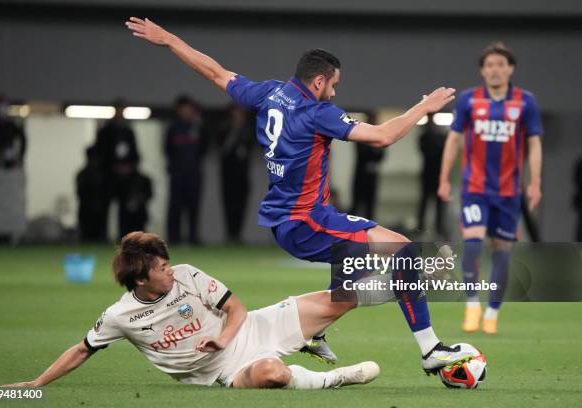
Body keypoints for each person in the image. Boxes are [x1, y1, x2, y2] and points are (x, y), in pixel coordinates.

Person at [126, 17, 468, 374]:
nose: (334, 92)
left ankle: (315, 331)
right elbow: (382, 136)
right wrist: (424, 108)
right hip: (307, 221)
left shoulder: (268, 94)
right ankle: (430, 350)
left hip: (291, 220)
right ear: (318, 81)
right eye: (333, 85)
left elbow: (215, 72)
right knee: (403, 252)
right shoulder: (318, 112)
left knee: (349, 292)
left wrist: (169, 40)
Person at [3, 232, 380, 389]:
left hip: (253, 327)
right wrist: (35, 385)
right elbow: (83, 348)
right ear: (140, 280)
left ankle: (429, 273)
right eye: (162, 268)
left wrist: (222, 338)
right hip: (227, 369)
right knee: (274, 374)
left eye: (168, 263)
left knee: (343, 295)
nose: (171, 269)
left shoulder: (187, 275)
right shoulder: (120, 316)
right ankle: (336, 379)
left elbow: (237, 308)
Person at [438, 42, 543, 334]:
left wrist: (535, 183)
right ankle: (472, 305)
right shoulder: (470, 100)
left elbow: (534, 144)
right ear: (483, 71)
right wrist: (445, 178)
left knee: (502, 251)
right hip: (475, 188)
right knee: (472, 243)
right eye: (490, 65)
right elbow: (454, 139)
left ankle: (493, 312)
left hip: (509, 191)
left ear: (510, 69)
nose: (495, 69)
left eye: (501, 64)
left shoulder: (525, 102)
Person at [94, 99, 141, 238]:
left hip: (125, 177)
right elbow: (99, 153)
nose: (120, 113)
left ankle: (124, 238)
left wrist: (129, 167)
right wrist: (110, 167)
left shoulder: (128, 132)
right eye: (118, 110)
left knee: (125, 210)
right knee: (104, 207)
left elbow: (134, 153)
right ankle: (101, 236)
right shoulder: (105, 131)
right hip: (108, 175)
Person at [165, 96, 205, 245]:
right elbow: (167, 150)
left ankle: (193, 238)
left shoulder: (198, 127)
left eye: (189, 109)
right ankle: (174, 238)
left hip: (194, 175)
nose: (187, 112)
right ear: (178, 110)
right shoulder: (173, 128)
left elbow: (203, 149)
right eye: (184, 108)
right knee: (175, 207)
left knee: (193, 207)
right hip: (177, 174)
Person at [216, 104, 254, 243]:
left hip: (242, 175)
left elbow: (251, 148)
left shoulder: (248, 130)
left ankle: (237, 234)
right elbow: (223, 150)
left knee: (241, 204)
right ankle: (230, 233)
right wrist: (235, 131)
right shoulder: (224, 129)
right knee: (228, 203)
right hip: (228, 174)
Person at [416, 114, 446, 237]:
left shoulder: (441, 137)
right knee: (424, 202)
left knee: (440, 204)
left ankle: (440, 228)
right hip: (428, 175)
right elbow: (428, 151)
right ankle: (420, 227)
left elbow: (443, 151)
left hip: (439, 175)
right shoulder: (424, 137)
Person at [76, 146, 109, 241]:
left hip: (100, 211)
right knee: (86, 236)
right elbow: (80, 193)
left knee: (100, 236)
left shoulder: (103, 174)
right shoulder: (83, 174)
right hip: (86, 210)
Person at [350, 141, 385, 221]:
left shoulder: (377, 142)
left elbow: (381, 154)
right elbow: (362, 152)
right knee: (358, 202)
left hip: (372, 177)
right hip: (360, 176)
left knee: (370, 203)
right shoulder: (361, 140)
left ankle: (369, 224)